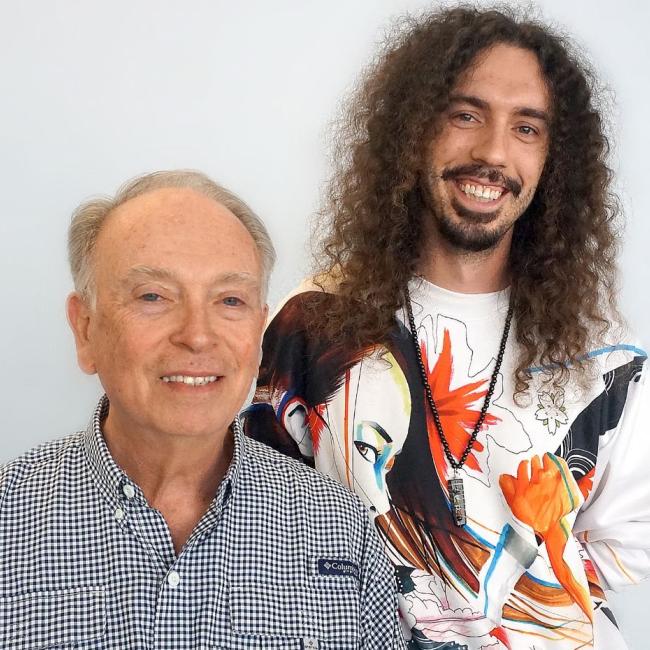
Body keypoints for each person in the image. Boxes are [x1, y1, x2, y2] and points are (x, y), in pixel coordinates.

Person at [243, 7, 650, 649]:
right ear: (413, 131)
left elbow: (625, 548)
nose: (492, 152)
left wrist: (531, 602)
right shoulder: (314, 323)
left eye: (527, 128)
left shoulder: (606, 355)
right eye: (466, 115)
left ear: (554, 162)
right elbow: (260, 520)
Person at [0, 170, 405, 649]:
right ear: (85, 329)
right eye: (154, 296)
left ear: (258, 332)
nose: (197, 334)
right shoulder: (10, 519)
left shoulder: (340, 529)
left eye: (229, 300)